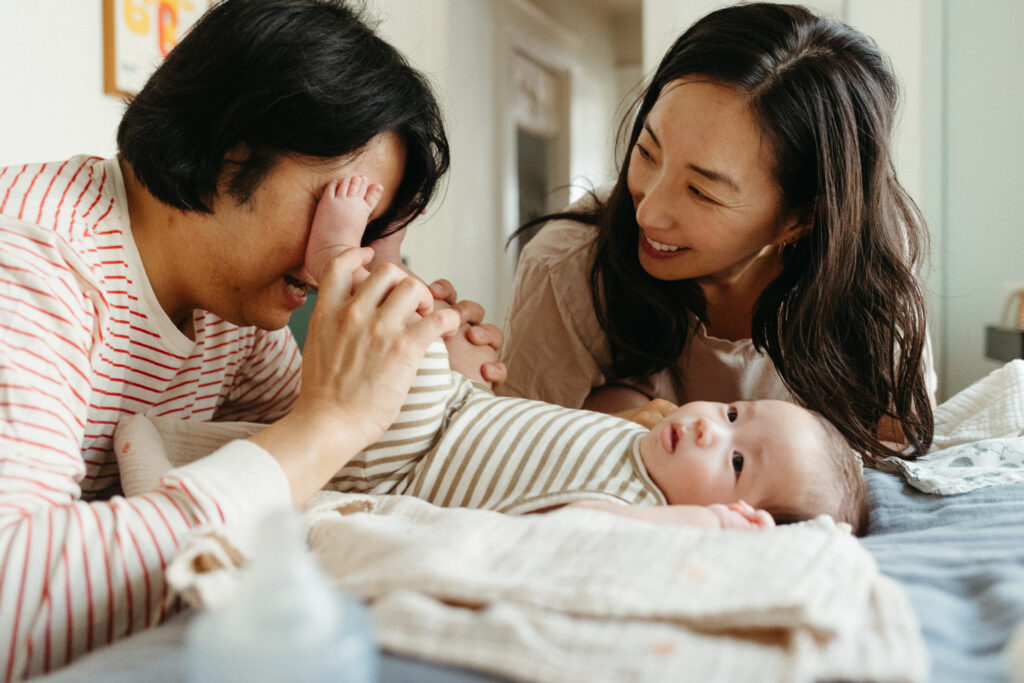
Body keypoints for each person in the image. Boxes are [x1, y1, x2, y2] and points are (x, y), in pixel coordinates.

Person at [0, 0, 501, 678]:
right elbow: (13, 598)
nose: (342, 255)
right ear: (233, 141)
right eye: (338, 202)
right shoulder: (34, 257)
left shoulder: (228, 311)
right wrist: (326, 421)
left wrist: (433, 375)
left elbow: (354, 460)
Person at [299, 174, 867, 535]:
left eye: (737, 463)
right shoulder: (652, 446)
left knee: (410, 343)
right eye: (732, 415)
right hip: (458, 418)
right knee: (442, 335)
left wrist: (702, 526)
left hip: (403, 464)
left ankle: (338, 259)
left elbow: (575, 532)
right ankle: (381, 263)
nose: (708, 430)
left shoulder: (643, 516)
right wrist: (478, 392)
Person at [497, 2, 936, 466]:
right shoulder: (569, 261)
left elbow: (892, 454)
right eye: (647, 151)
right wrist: (610, 440)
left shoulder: (866, 277)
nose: (649, 212)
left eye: (701, 191)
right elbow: (513, 451)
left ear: (804, 218)